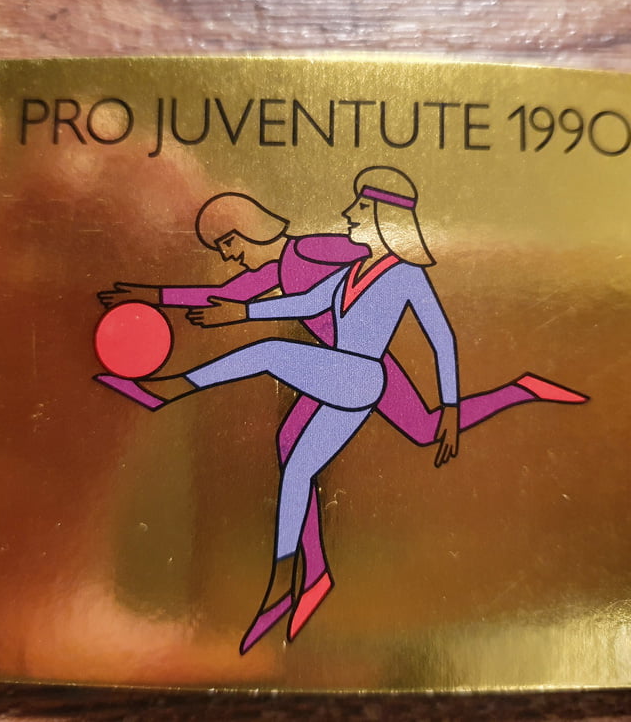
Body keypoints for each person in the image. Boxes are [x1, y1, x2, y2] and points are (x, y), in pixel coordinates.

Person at [96, 169, 588, 653]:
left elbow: (441, 338)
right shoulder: (319, 275)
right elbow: (290, 302)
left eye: (360, 208)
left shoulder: (391, 271)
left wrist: (454, 408)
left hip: (360, 373)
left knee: (279, 359)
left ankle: (167, 390)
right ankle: (297, 580)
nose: (349, 214)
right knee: (295, 467)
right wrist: (159, 298)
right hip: (336, 371)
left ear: (384, 216)